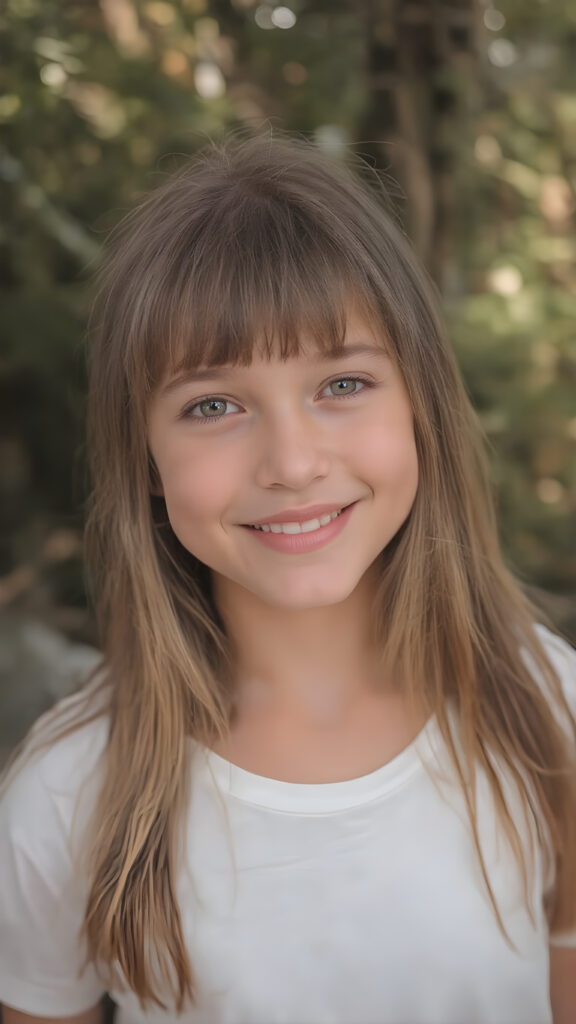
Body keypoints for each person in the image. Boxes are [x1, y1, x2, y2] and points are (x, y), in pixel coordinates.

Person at [0, 133, 575, 1024]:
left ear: (420, 402)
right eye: (213, 406)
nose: (294, 462)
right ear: (145, 458)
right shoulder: (73, 790)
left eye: (342, 383)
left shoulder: (548, 710)